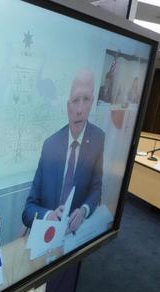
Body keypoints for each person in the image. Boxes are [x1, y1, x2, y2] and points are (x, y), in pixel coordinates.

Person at [22, 69, 104, 234]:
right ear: (68, 106)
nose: (80, 109)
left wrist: (84, 211)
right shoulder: (50, 145)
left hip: (75, 236)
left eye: (86, 99)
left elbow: (96, 189)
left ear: (92, 102)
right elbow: (28, 210)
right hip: (45, 236)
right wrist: (49, 216)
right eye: (75, 100)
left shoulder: (98, 138)